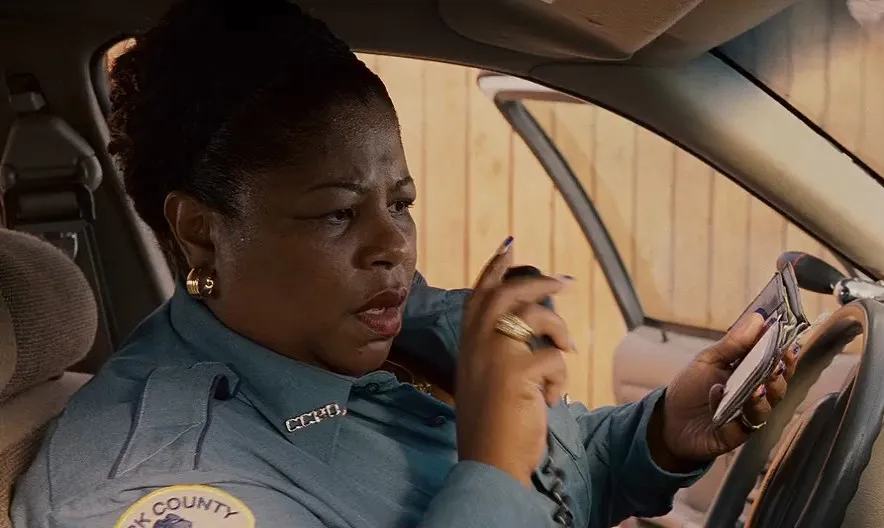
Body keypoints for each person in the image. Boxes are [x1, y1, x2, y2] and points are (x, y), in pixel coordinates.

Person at [9, 1, 796, 527]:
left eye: (402, 201)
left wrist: (660, 435)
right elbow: (510, 477)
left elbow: (553, 481)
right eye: (337, 212)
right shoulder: (151, 480)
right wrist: (494, 464)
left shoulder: (369, 336)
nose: (395, 245)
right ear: (202, 232)